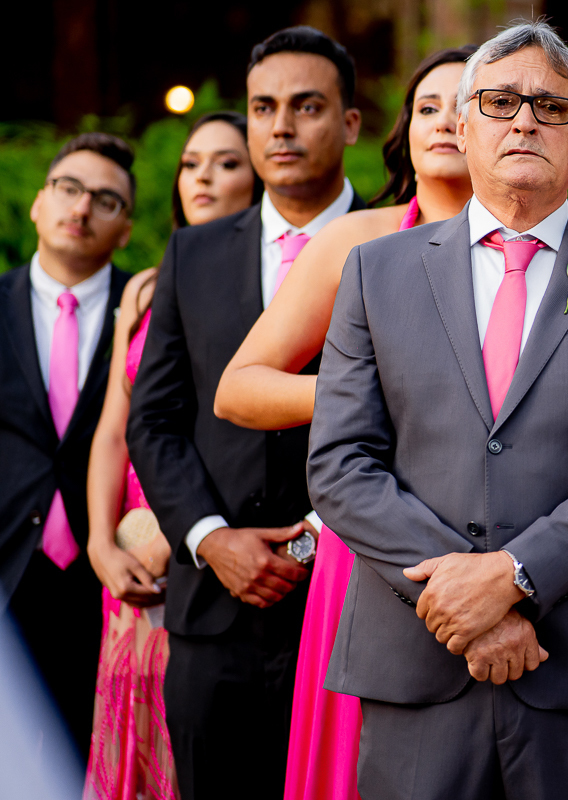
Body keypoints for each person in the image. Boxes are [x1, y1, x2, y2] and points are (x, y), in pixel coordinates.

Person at [306, 21, 568, 798]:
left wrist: (518, 575)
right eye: (499, 101)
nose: (524, 121)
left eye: (552, 107)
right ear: (462, 125)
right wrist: (461, 597)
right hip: (418, 660)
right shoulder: (376, 272)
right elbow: (341, 463)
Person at [213, 46, 476, 800]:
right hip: (369, 545)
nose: (445, 121)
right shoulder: (356, 240)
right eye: (427, 107)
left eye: (466, 104)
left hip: (500, 548)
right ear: (404, 131)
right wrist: (364, 392)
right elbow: (240, 388)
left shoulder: (554, 257)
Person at [125, 26, 366, 800]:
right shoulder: (193, 254)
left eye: (307, 106)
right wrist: (208, 537)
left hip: (352, 607)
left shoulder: (399, 243)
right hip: (212, 610)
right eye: (264, 108)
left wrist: (315, 541)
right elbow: (155, 419)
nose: (281, 127)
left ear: (350, 123)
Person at [83, 111, 259, 800]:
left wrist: (176, 531)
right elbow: (115, 428)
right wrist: (102, 543)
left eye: (226, 162)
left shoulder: (280, 287)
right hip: (129, 552)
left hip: (200, 539)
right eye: (191, 164)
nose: (203, 176)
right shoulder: (144, 288)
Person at [0, 133, 135, 783]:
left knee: (91, 768)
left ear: (126, 228)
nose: (82, 208)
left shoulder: (151, 312)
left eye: (105, 200)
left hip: (108, 580)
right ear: (38, 202)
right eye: (69, 189)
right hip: (8, 568)